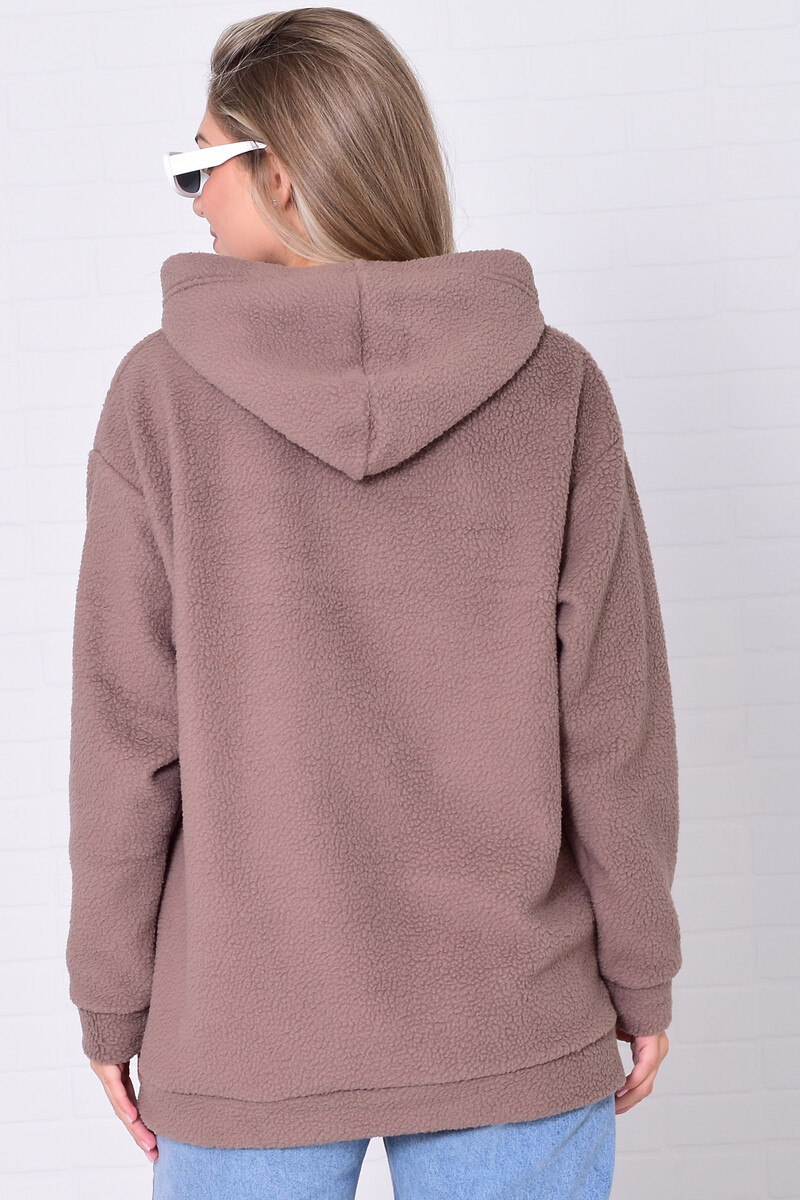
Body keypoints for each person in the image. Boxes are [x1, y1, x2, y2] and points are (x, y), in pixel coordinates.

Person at [65, 8, 682, 1199]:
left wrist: (112, 1000)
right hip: (511, 1020)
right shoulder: (551, 386)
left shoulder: (159, 397)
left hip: (244, 1034)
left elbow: (125, 737)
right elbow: (613, 726)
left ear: (282, 173)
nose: (191, 203)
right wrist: (638, 971)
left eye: (201, 165)